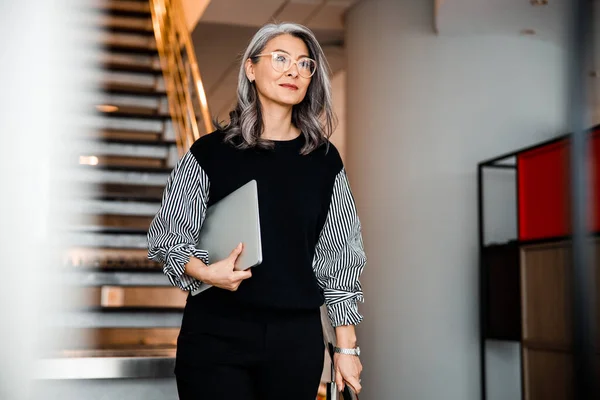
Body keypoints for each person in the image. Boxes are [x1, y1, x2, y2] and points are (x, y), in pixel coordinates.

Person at [147, 22, 366, 400]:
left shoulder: (324, 161)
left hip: (294, 341)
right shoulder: (209, 153)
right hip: (216, 335)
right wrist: (204, 270)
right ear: (251, 68)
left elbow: (340, 258)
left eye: (304, 63)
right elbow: (166, 237)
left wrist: (346, 348)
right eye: (280, 59)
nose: (293, 71)